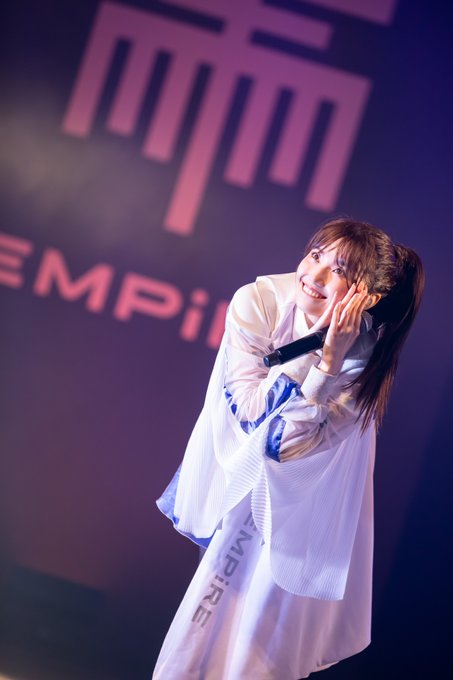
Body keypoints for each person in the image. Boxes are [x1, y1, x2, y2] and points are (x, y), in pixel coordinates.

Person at [152, 217, 424, 679]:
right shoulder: (259, 302)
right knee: (205, 625)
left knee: (261, 646)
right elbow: (252, 417)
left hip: (307, 503)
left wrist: (331, 362)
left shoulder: (362, 358)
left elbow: (286, 447)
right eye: (315, 256)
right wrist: (316, 359)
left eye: (337, 271)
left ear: (367, 298)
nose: (313, 275)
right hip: (244, 483)